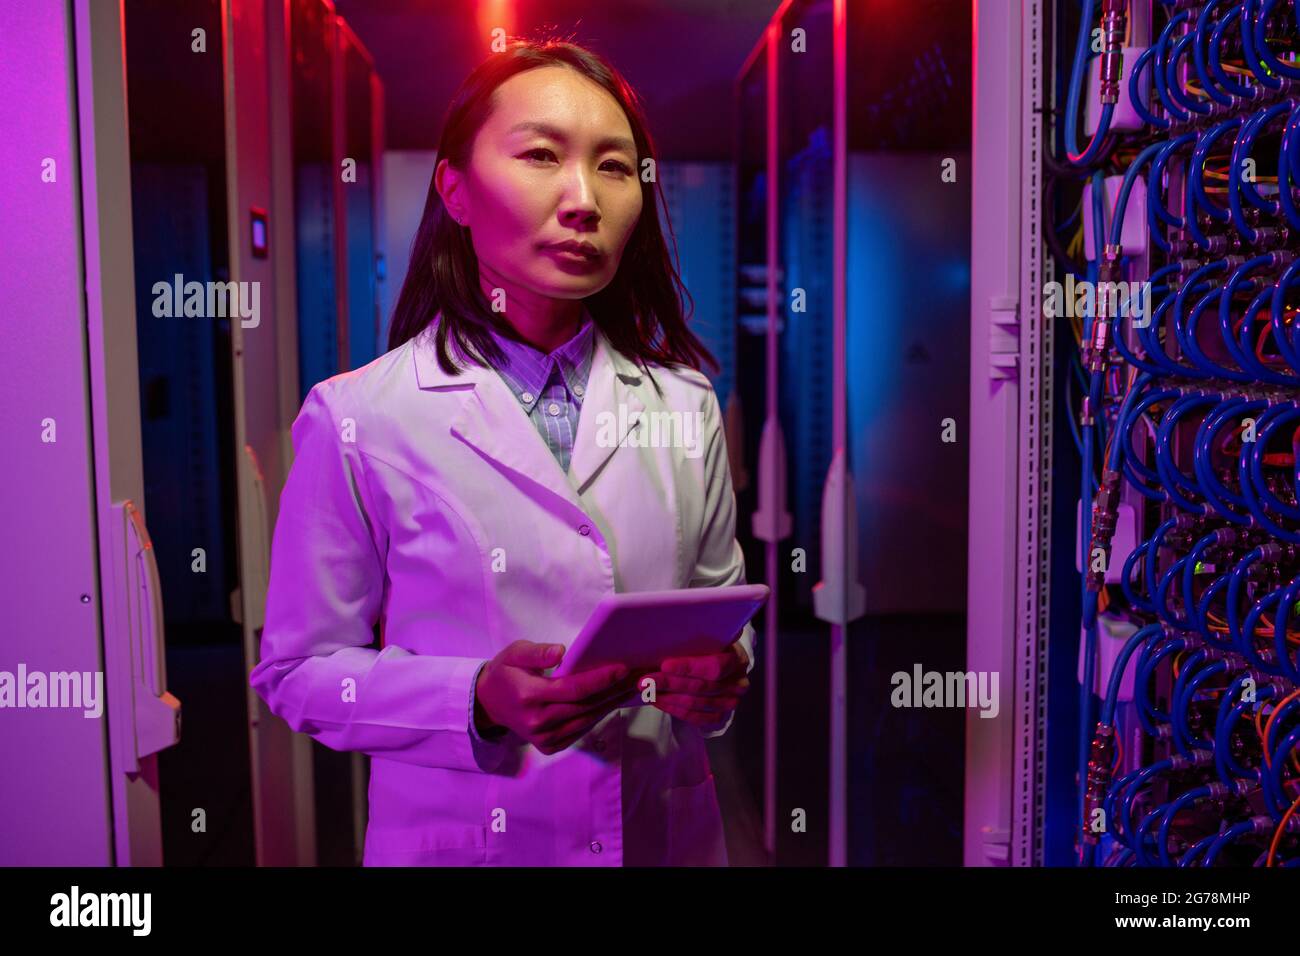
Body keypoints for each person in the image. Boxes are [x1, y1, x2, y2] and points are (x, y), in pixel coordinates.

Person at [250, 37, 755, 866]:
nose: (583, 198)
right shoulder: (360, 416)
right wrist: (475, 697)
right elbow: (299, 672)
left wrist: (719, 675)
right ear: (453, 187)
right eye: (542, 155)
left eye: (616, 168)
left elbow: (720, 611)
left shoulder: (684, 404)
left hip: (659, 834)